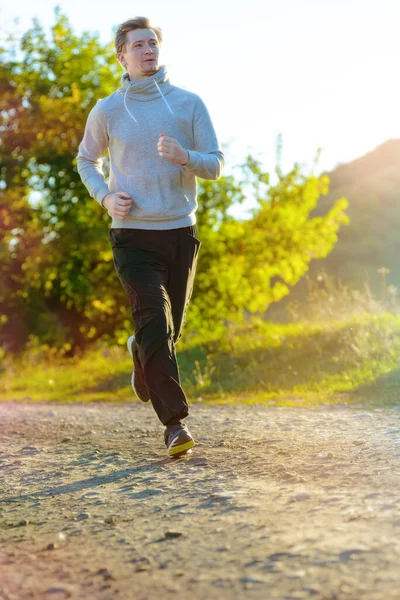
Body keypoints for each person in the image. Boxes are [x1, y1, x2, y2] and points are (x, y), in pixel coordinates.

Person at [76, 17, 224, 458]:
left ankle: (140, 349)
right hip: (132, 237)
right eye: (138, 45)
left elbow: (214, 164)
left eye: (152, 43)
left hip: (180, 232)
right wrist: (104, 198)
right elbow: (86, 160)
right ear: (121, 56)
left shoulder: (188, 103)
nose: (148, 50)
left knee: (167, 331)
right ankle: (174, 425)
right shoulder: (107, 109)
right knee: (156, 325)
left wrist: (186, 157)